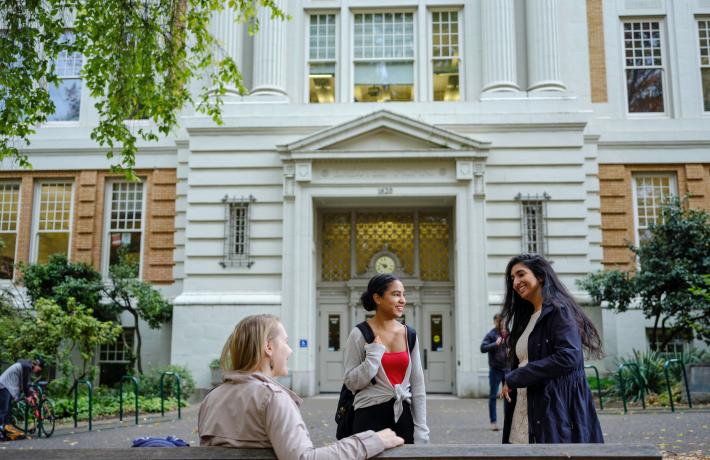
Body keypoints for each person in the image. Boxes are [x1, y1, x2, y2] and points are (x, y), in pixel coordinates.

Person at [198, 314, 404, 459]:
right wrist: (371, 441)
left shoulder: (212, 398)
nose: (289, 351)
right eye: (285, 342)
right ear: (268, 347)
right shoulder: (272, 398)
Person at [500, 253, 604, 444]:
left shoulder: (559, 310)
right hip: (526, 410)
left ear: (540, 276)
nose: (516, 282)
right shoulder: (528, 318)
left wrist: (517, 377)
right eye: (512, 278)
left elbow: (569, 357)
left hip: (553, 414)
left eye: (521, 274)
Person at [343, 274, 429, 445]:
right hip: (368, 418)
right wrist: (373, 356)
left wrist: (421, 428)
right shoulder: (359, 334)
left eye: (403, 294)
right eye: (396, 294)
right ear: (377, 298)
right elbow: (351, 383)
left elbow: (418, 386)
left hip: (403, 418)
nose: (403, 300)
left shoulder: (409, 335)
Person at [0, 358, 44, 440]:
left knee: (7, 411)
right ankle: (1, 432)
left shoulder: (26, 365)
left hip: (7, 387)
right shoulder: (27, 367)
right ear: (37, 365)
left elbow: (26, 383)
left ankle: (6, 432)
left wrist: (30, 393)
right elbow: (25, 385)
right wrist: (28, 396)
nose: (37, 372)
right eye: (39, 370)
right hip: (4, 386)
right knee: (3, 410)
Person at [480, 313, 509, 431]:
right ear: (495, 322)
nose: (501, 323)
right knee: (493, 396)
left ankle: (508, 421)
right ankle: (493, 422)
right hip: (495, 370)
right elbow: (482, 348)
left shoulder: (509, 333)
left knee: (508, 396)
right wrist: (494, 344)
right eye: (498, 321)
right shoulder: (491, 334)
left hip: (508, 370)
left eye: (502, 321)